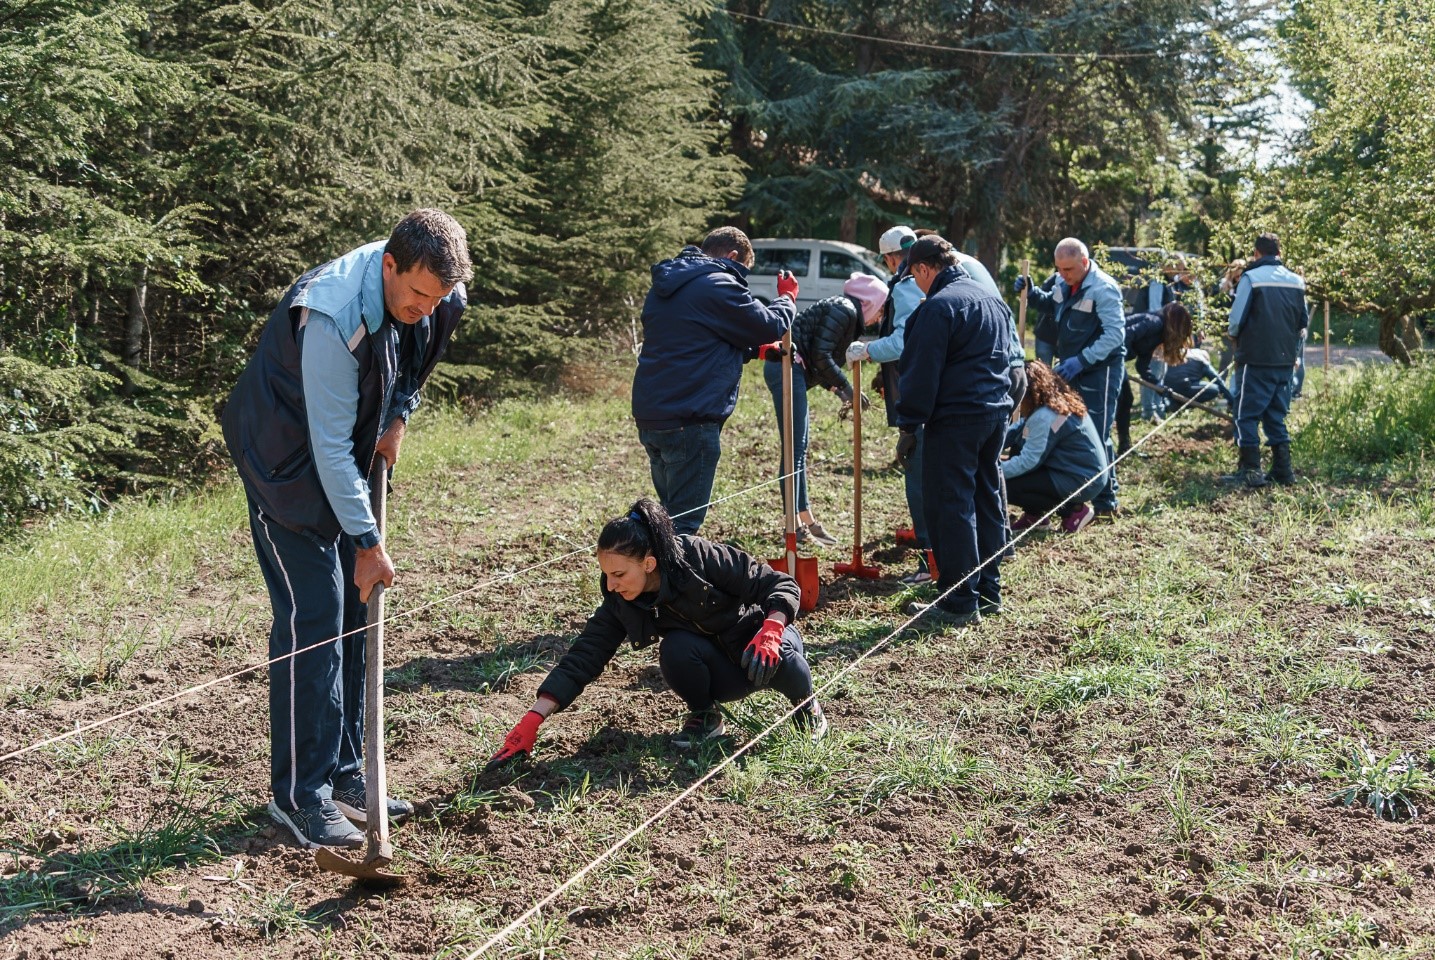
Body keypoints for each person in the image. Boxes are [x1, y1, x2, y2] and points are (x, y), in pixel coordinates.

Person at [221, 209, 472, 848]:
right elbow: (328, 447)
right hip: (286, 467)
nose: (426, 306)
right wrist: (367, 542)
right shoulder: (333, 317)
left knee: (357, 615)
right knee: (317, 619)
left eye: (436, 296)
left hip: (345, 455)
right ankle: (300, 796)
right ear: (389, 265)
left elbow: (415, 359)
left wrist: (398, 414)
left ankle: (346, 772)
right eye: (416, 293)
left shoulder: (439, 295)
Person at [484, 498, 827, 767]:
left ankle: (807, 707)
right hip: (724, 671)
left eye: (618, 574)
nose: (611, 584)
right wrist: (534, 718)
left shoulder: (697, 555)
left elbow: (778, 583)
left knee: (779, 654)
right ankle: (705, 715)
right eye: (606, 575)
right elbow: (584, 655)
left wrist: (771, 627)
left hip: (761, 643)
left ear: (648, 564)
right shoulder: (624, 602)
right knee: (675, 648)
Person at [632, 227, 797, 535]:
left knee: (666, 520)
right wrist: (787, 298)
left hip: (654, 416)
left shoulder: (667, 285)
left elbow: (696, 339)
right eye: (743, 271)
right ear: (733, 257)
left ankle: (653, 574)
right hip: (689, 420)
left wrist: (756, 351)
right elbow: (769, 324)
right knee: (683, 527)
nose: (741, 280)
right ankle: (669, 581)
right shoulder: (717, 282)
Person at [894, 236, 1013, 626]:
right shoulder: (990, 299)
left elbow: (921, 374)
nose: (916, 284)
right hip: (994, 413)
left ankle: (959, 599)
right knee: (986, 500)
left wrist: (909, 424)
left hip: (956, 417)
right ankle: (988, 591)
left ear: (925, 269)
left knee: (952, 506)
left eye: (914, 277)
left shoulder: (939, 308)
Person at [764, 273, 888, 548]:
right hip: (786, 367)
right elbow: (821, 356)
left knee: (800, 450)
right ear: (869, 302)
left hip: (797, 369)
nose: (880, 317)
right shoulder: (843, 311)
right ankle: (792, 525)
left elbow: (818, 359)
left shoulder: (846, 314)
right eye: (881, 308)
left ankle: (806, 517)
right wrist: (848, 389)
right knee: (793, 450)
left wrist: (839, 391)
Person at [846, 225, 933, 582]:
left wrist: (868, 350)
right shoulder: (915, 281)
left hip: (916, 393)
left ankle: (931, 559)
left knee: (918, 472)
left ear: (891, 256)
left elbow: (905, 339)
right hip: (917, 389)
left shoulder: (909, 284)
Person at [1019, 238, 1126, 518]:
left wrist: (1083, 360)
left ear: (1084, 262)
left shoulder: (1103, 288)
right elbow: (1050, 307)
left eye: (1068, 269)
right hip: (1069, 367)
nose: (1063, 275)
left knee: (1098, 433)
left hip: (1099, 371)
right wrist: (1031, 294)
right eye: (1059, 269)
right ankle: (1072, 497)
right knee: (1071, 429)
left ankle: (1105, 501)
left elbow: (1115, 335)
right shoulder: (1060, 281)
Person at [1225, 232, 1307, 487]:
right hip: (1284, 359)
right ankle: (1283, 470)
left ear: (1256, 253)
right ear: (1279, 254)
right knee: (1275, 415)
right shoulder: (1297, 281)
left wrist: (1233, 336)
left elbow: (1236, 319)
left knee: (1246, 415)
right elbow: (1302, 322)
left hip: (1255, 358)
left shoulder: (1251, 278)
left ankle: (1250, 471)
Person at [1003, 361, 1108, 535]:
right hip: (1080, 471)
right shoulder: (1054, 403)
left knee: (1008, 486)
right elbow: (1020, 428)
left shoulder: (1046, 416)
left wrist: (994, 471)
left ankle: (1073, 512)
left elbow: (1028, 461)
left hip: (1081, 480)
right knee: (1017, 447)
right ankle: (1035, 515)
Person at [1114, 302, 1193, 457]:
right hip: (1110, 355)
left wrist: (1159, 387)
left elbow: (1142, 367)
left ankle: (1124, 447)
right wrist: (1118, 362)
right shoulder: (1154, 322)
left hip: (1116, 359)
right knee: (1118, 400)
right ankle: (1109, 449)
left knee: (1126, 399)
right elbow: (1125, 335)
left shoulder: (1158, 334)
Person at [1164, 346, 1235, 407]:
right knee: (1215, 389)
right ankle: (1182, 404)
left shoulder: (1186, 352)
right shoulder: (1202, 360)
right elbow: (1218, 381)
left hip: (1167, 386)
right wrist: (1232, 402)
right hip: (1184, 386)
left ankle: (1174, 403)